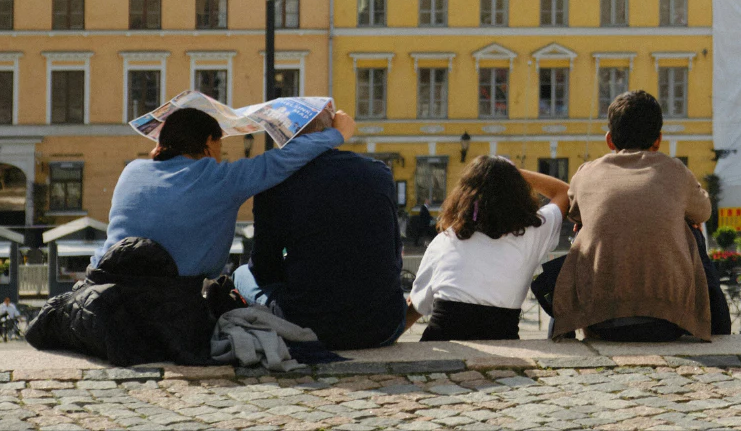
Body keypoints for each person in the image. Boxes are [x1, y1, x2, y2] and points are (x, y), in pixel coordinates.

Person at [96, 105, 352, 279]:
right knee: (242, 277)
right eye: (220, 146)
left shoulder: (131, 171)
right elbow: (282, 160)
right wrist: (337, 133)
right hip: (171, 301)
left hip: (102, 288)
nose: (220, 155)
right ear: (209, 142)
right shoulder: (220, 179)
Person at [234, 109, 411, 350]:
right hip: (385, 326)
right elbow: (394, 253)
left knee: (241, 274)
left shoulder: (275, 182)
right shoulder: (379, 172)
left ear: (285, 137)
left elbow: (264, 268)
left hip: (311, 326)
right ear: (330, 132)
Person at [548, 91, 714, 342]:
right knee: (691, 230)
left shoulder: (586, 174)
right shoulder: (676, 171)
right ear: (658, 140)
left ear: (609, 140)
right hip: (669, 321)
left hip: (600, 320)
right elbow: (704, 212)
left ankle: (561, 329)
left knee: (582, 231)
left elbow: (574, 213)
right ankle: (717, 319)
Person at [410, 156, 568, 341]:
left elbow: (418, 305)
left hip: (441, 340)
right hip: (504, 343)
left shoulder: (446, 239)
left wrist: (487, 174)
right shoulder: (534, 232)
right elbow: (565, 192)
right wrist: (510, 173)